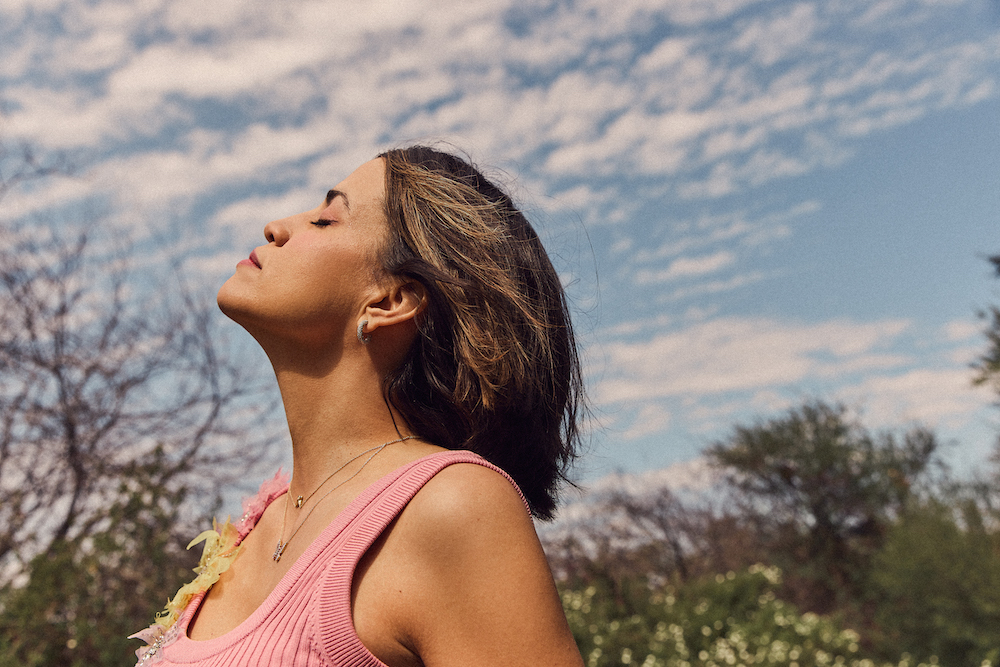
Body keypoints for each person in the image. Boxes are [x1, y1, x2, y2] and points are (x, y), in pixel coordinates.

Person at [130, 146, 586, 666]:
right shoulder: (257, 525)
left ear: (390, 301)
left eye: (326, 219)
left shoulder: (450, 505)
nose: (275, 226)